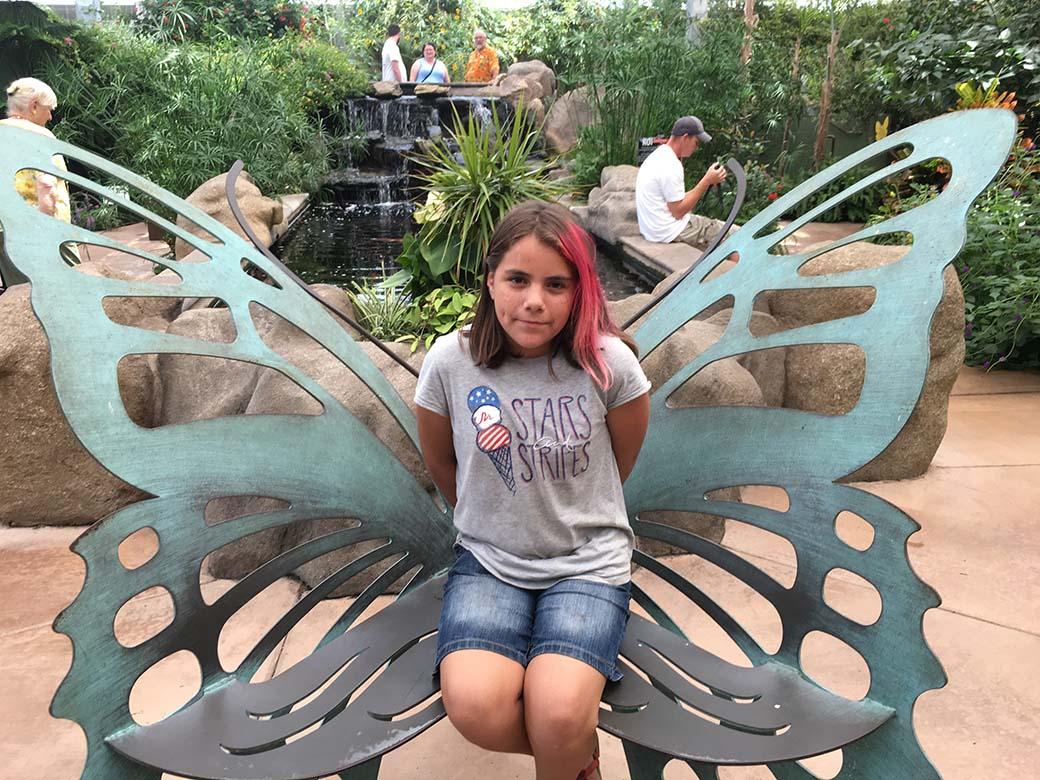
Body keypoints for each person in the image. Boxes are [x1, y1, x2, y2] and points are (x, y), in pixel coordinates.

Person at [414, 200, 651, 780]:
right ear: (490, 278)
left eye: (556, 284)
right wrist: (498, 509)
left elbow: (619, 463)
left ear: (579, 291)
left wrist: (562, 507)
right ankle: (575, 758)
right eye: (517, 279)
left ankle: (565, 750)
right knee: (475, 707)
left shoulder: (608, 364)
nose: (535, 300)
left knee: (560, 711)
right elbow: (444, 464)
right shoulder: (451, 361)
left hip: (587, 565)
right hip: (491, 561)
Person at [635, 115, 727, 247]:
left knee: (716, 226)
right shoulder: (671, 164)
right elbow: (678, 211)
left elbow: (676, 201)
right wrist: (706, 181)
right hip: (669, 231)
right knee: (730, 234)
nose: (696, 148)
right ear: (685, 138)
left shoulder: (659, 155)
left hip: (654, 230)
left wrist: (707, 181)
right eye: (696, 142)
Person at [1, 78, 72, 222]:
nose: (50, 117)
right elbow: (46, 183)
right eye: (49, 110)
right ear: (34, 106)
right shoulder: (39, 136)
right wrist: (46, 226)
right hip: (34, 225)